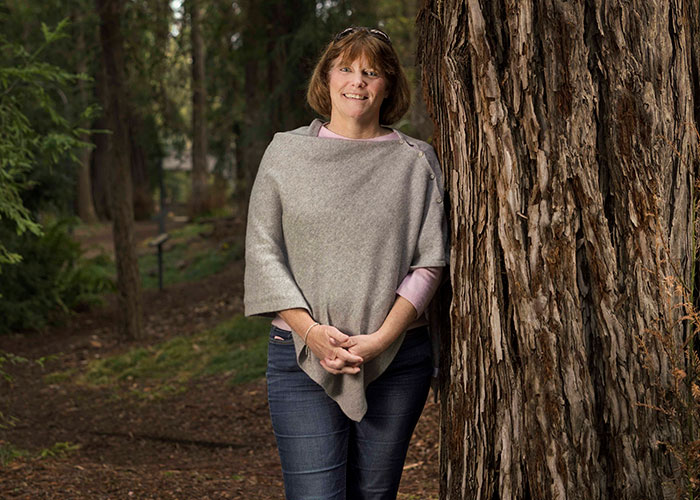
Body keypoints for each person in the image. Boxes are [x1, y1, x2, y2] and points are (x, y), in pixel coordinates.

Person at [244, 26, 447, 500]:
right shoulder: (285, 153)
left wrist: (379, 340)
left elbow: (429, 262)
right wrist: (311, 332)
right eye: (347, 69)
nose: (358, 82)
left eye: (372, 73)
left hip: (396, 360)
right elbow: (262, 251)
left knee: (374, 495)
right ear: (327, 77)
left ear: (389, 86)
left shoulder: (415, 161)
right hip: (301, 355)